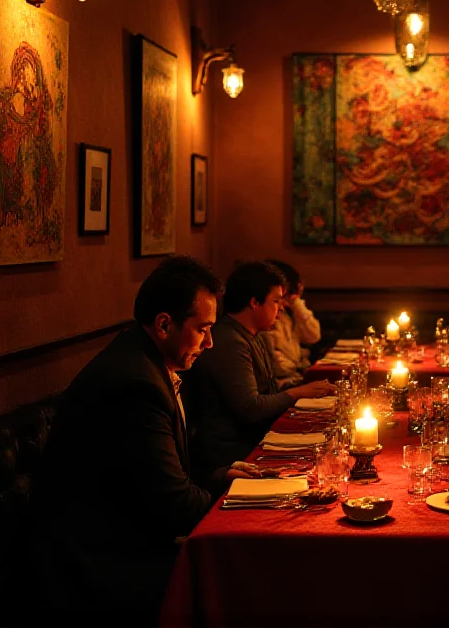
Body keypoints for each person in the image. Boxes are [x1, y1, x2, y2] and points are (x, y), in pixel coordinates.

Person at [28, 256, 259, 625]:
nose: (211, 343)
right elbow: (174, 505)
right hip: (99, 564)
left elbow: (167, 477)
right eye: (203, 329)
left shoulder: (144, 359)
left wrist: (222, 480)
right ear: (165, 324)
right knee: (249, 578)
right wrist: (243, 499)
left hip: (123, 539)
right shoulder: (135, 384)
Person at [190, 261, 334, 478]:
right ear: (254, 302)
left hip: (253, 442)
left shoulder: (251, 335)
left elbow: (269, 392)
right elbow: (250, 408)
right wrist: (299, 392)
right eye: (276, 301)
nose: (282, 308)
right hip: (234, 457)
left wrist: (304, 389)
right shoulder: (230, 341)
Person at [263, 258, 321, 389]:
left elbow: (314, 336)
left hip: (296, 379)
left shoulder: (289, 314)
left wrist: (296, 303)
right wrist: (300, 368)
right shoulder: (268, 317)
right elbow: (277, 365)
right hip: (284, 385)